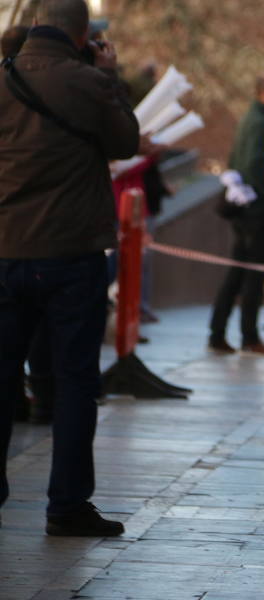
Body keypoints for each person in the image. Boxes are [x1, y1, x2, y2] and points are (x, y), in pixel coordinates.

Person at [0, 0, 139, 535]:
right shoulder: (88, 81)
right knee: (75, 382)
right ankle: (67, 506)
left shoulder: (4, 78)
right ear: (84, 35)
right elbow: (125, 140)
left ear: (36, 24)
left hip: (7, 251)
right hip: (71, 254)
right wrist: (111, 76)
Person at [208, 71, 264, 357]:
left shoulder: (252, 120)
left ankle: (218, 333)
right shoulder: (262, 123)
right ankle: (249, 337)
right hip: (256, 210)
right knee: (253, 275)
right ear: (262, 93)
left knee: (237, 272)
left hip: (245, 207)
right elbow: (256, 167)